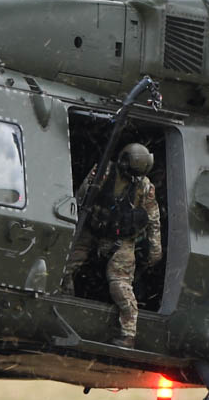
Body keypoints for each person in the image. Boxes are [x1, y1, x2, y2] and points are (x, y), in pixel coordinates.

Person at [61, 143, 163, 347]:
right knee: (64, 267)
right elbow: (80, 197)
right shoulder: (103, 172)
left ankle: (128, 333)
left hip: (122, 238)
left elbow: (153, 220)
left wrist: (154, 251)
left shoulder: (144, 186)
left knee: (120, 284)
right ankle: (65, 305)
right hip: (92, 229)